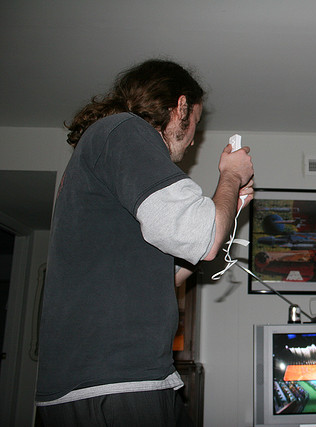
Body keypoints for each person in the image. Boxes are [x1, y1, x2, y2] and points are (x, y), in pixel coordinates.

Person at [35, 59, 254, 426]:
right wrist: (231, 177)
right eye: (195, 123)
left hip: (119, 380)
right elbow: (202, 236)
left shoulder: (112, 146)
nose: (194, 139)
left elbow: (166, 276)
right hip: (112, 384)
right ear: (180, 107)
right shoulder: (126, 130)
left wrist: (229, 209)